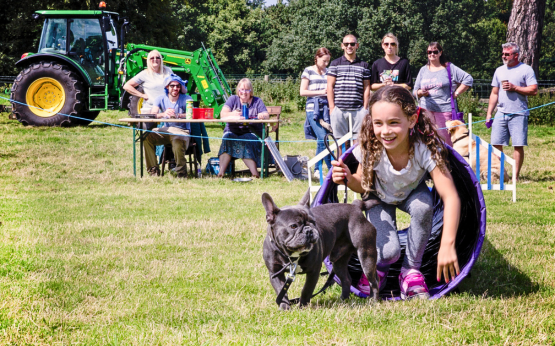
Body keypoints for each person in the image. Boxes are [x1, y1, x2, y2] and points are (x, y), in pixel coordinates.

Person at [331, 86, 461, 299]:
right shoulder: (370, 147)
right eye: (378, 123)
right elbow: (362, 186)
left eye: (393, 122)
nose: (385, 131)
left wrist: (447, 244)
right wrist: (347, 178)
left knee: (424, 204)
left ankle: (410, 271)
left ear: (411, 120)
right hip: (378, 197)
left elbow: (451, 196)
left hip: (411, 193)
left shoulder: (424, 148)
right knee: (389, 252)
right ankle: (378, 270)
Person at [486, 42, 538, 181]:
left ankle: (515, 177)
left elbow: (533, 90)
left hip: (519, 113)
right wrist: (489, 113)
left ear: (516, 55)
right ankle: (501, 175)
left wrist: (516, 88)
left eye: (507, 54)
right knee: (496, 144)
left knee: (518, 145)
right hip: (501, 113)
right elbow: (494, 93)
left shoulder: (526, 70)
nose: (504, 56)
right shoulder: (499, 70)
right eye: (503, 54)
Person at [413, 42, 473, 146]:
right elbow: (415, 91)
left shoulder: (449, 68)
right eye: (429, 52)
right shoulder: (423, 70)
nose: (432, 54)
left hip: (444, 110)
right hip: (425, 110)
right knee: (426, 139)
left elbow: (468, 79)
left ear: (440, 53)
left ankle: (448, 161)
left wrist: (457, 93)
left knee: (445, 141)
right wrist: (420, 93)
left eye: (435, 52)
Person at [217, 78, 269, 178]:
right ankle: (221, 173)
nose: (244, 92)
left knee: (245, 140)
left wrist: (262, 115)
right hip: (232, 131)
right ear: (238, 90)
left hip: (252, 133)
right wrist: (233, 114)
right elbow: (222, 114)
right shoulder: (233, 99)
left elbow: (266, 115)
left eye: (247, 90)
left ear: (251, 91)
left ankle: (254, 173)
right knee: (227, 139)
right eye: (242, 89)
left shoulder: (257, 101)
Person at [144, 74, 193, 178]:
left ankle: (181, 173)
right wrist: (164, 114)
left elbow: (191, 115)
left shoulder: (187, 98)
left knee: (177, 138)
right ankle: (153, 170)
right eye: (172, 86)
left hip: (182, 131)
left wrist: (178, 115)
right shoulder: (160, 98)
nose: (175, 88)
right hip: (166, 130)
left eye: (178, 86)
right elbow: (153, 114)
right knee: (146, 137)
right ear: (167, 87)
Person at [327, 34, 371, 144]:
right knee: (340, 144)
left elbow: (367, 87)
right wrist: (332, 108)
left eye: (352, 44)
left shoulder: (364, 65)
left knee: (359, 143)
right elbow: (330, 86)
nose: (349, 46)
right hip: (339, 109)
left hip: (358, 109)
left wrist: (365, 107)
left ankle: (357, 162)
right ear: (342, 46)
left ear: (357, 45)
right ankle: (341, 162)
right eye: (346, 44)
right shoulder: (335, 64)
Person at [300, 47, 332, 179]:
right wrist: (321, 92)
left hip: (326, 110)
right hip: (313, 109)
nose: (326, 64)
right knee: (323, 137)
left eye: (328, 61)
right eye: (324, 61)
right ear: (317, 58)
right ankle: (329, 168)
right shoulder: (308, 71)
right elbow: (303, 92)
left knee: (323, 138)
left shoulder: (329, 72)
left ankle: (318, 168)